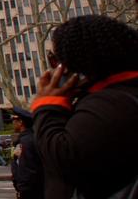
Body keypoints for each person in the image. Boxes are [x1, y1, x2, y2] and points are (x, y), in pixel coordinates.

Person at [31, 15, 138, 198]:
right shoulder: (119, 95)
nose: (56, 68)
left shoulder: (111, 103)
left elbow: (64, 158)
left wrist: (48, 105)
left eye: (55, 59)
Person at [9, 106, 43, 199]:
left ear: (20, 122)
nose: (12, 123)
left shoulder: (25, 141)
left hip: (30, 191)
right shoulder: (28, 138)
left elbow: (27, 168)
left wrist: (22, 189)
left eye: (14, 120)